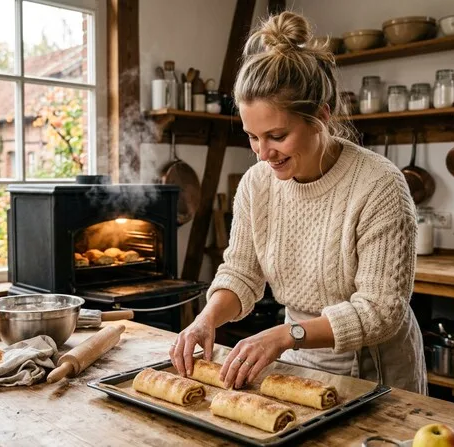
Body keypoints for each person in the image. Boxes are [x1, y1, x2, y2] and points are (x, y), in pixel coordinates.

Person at [169, 11, 426, 394]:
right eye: (252, 137)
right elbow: (241, 272)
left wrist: (286, 334)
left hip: (375, 370)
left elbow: (381, 310)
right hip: (297, 360)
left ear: (320, 116)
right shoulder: (257, 184)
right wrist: (206, 318)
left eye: (276, 135)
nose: (262, 154)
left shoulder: (379, 184)